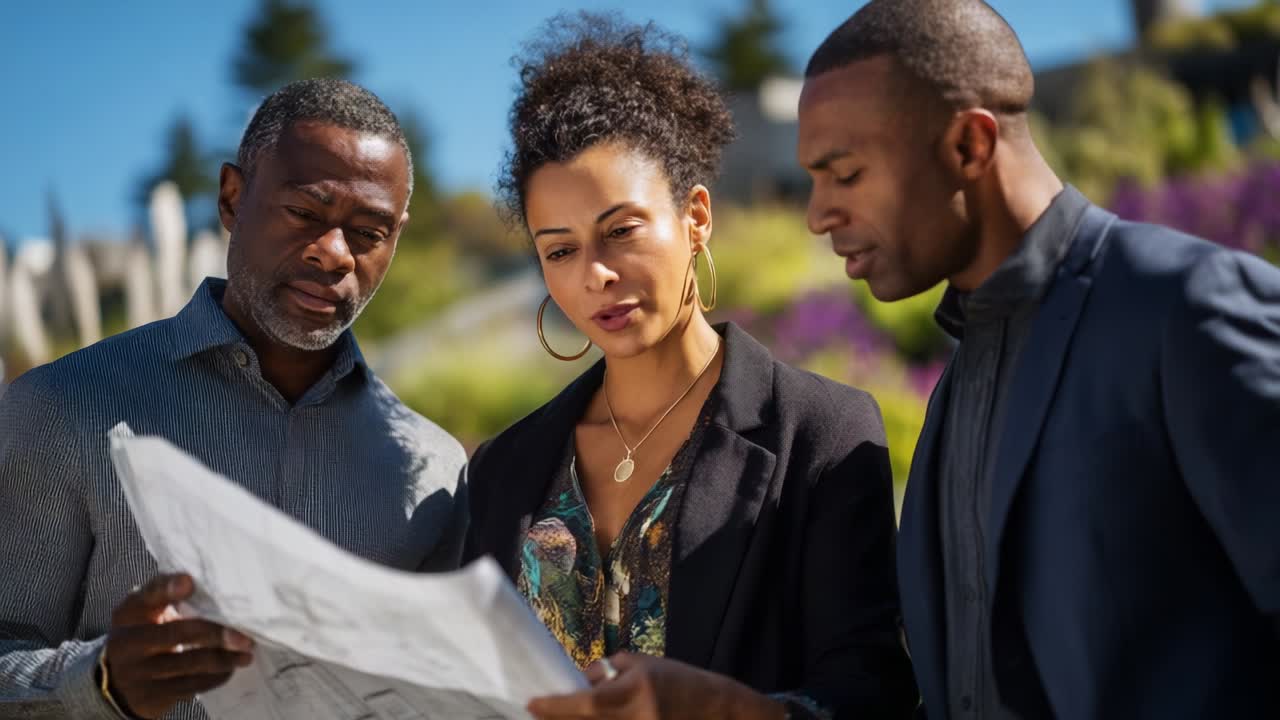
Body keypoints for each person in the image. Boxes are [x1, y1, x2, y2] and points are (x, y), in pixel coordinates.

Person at [798, 1, 1280, 717]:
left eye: (845, 173)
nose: (817, 213)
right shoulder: (956, 389)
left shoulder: (1183, 307)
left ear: (969, 145)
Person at [462, 14, 916, 720]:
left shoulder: (819, 433)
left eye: (621, 231)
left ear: (696, 216)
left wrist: (720, 710)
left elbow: (873, 698)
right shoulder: (503, 469)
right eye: (560, 250)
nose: (596, 275)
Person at [0, 78, 468, 720]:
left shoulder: (436, 475)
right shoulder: (62, 406)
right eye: (305, 213)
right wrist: (103, 681)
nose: (334, 254)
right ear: (232, 197)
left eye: (368, 232)